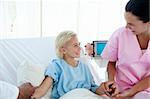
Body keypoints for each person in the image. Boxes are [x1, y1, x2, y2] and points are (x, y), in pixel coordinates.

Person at [85, 0, 150, 99]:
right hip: (121, 89)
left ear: (148, 24)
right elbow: (111, 62)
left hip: (146, 89)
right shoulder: (120, 34)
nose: (126, 26)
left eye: (131, 24)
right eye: (126, 22)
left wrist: (131, 92)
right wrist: (111, 81)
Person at [31, 31, 113, 99]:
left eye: (79, 44)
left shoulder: (84, 67)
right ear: (63, 50)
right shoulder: (56, 66)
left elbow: (93, 88)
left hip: (87, 95)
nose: (80, 48)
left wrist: (103, 88)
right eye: (75, 45)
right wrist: (35, 97)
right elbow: (44, 87)